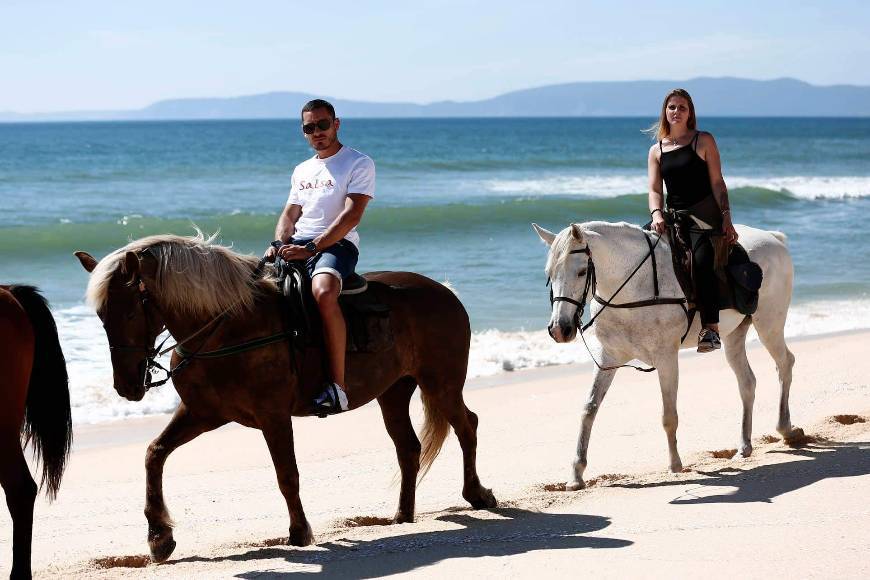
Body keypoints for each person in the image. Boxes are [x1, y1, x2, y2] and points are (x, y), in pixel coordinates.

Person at [265, 99, 375, 414]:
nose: (317, 132)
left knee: (324, 292)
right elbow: (290, 213)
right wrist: (278, 241)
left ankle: (337, 388)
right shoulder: (302, 169)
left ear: (336, 124)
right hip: (298, 242)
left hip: (338, 245)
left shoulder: (358, 163)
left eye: (322, 124)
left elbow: (352, 215)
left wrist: (313, 248)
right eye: (309, 128)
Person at [647, 88, 738, 353]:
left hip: (704, 219)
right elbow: (654, 190)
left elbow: (718, 183)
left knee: (701, 262)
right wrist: (656, 214)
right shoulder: (657, 150)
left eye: (682, 107)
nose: (676, 112)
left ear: (690, 113)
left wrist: (726, 217)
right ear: (665, 111)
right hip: (672, 217)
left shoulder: (703, 140)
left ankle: (711, 329)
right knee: (643, 252)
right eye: (672, 107)